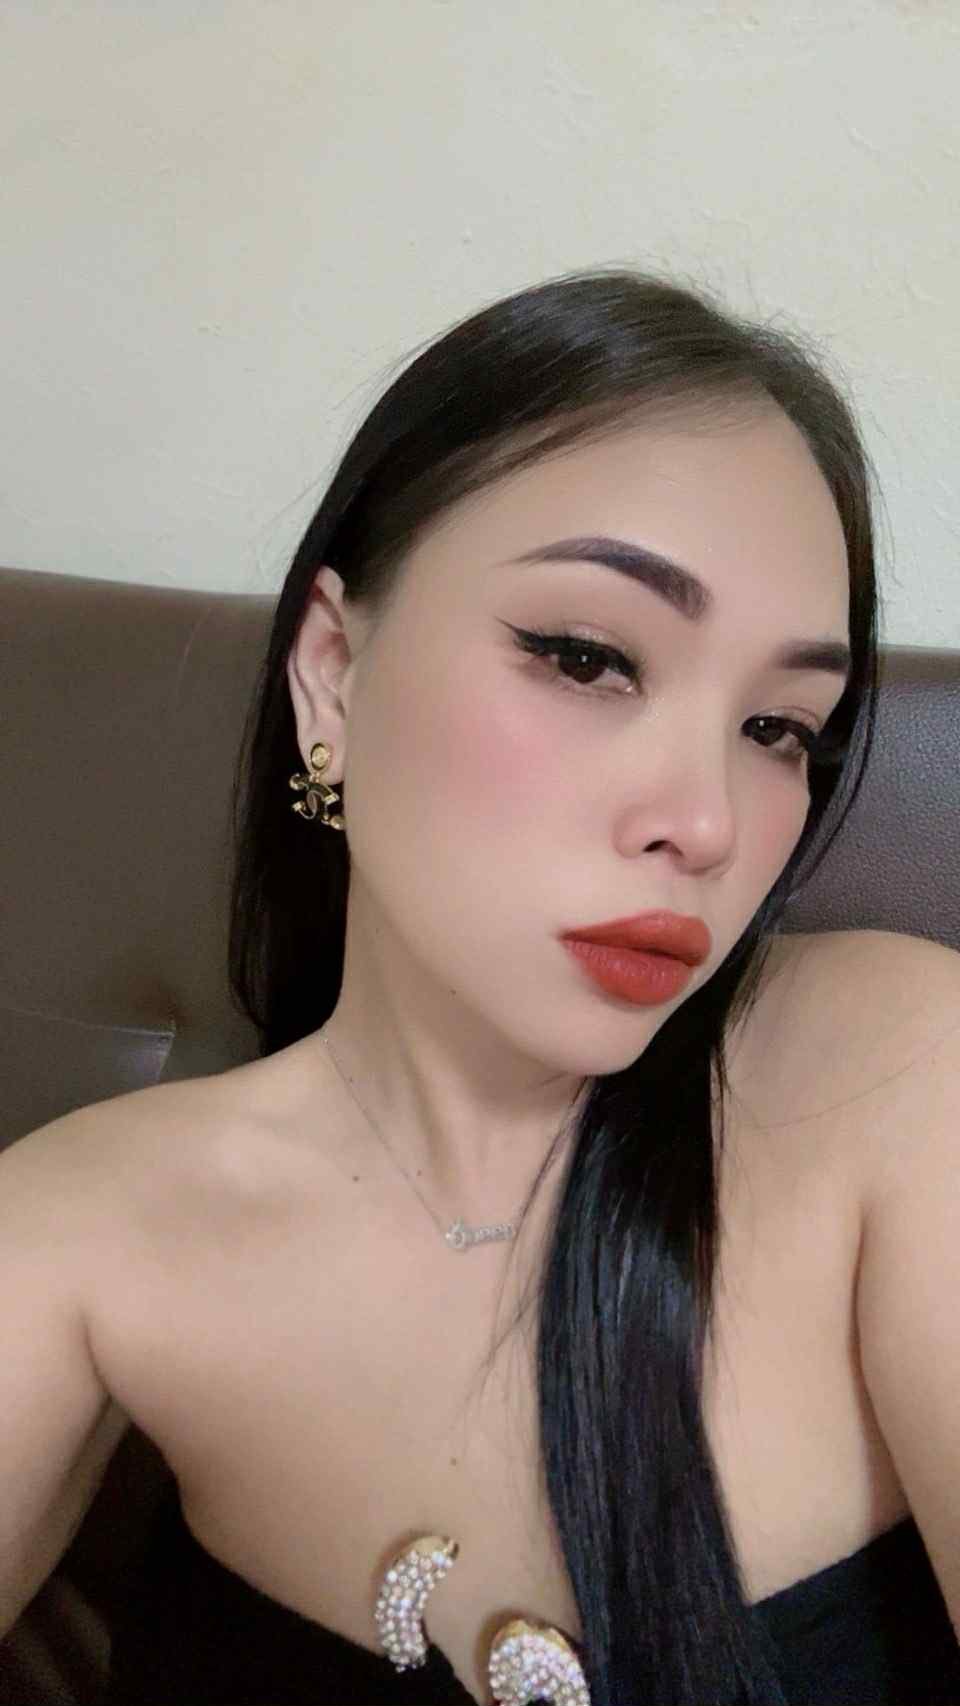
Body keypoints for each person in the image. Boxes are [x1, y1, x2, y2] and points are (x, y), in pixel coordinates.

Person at [3, 268, 959, 1706]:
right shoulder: (90, 1230)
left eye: (779, 727)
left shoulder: (898, 1076)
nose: (706, 822)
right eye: (588, 656)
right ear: (332, 670)